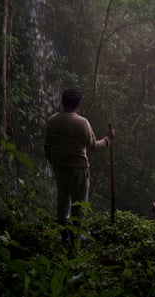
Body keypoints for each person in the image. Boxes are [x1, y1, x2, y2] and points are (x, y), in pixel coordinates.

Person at [44, 88, 114, 244]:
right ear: (79, 104)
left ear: (62, 102)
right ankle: (77, 235)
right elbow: (94, 146)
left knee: (62, 200)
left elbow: (47, 146)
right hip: (78, 169)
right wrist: (108, 139)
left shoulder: (52, 120)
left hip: (60, 167)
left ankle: (64, 235)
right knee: (79, 202)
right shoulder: (82, 123)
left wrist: (52, 160)